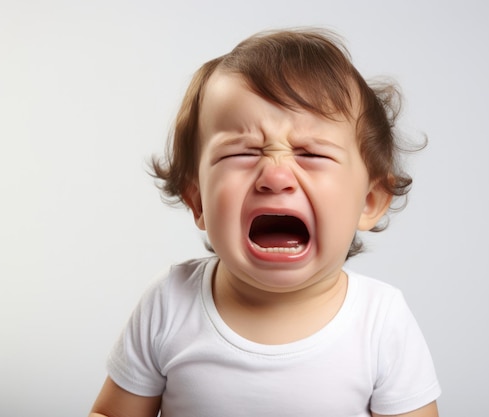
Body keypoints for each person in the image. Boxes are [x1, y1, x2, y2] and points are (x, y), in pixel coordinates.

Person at [89, 28, 441, 417]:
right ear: (198, 200)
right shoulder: (170, 303)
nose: (275, 175)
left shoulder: (380, 320)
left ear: (370, 201)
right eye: (242, 152)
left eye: (310, 153)